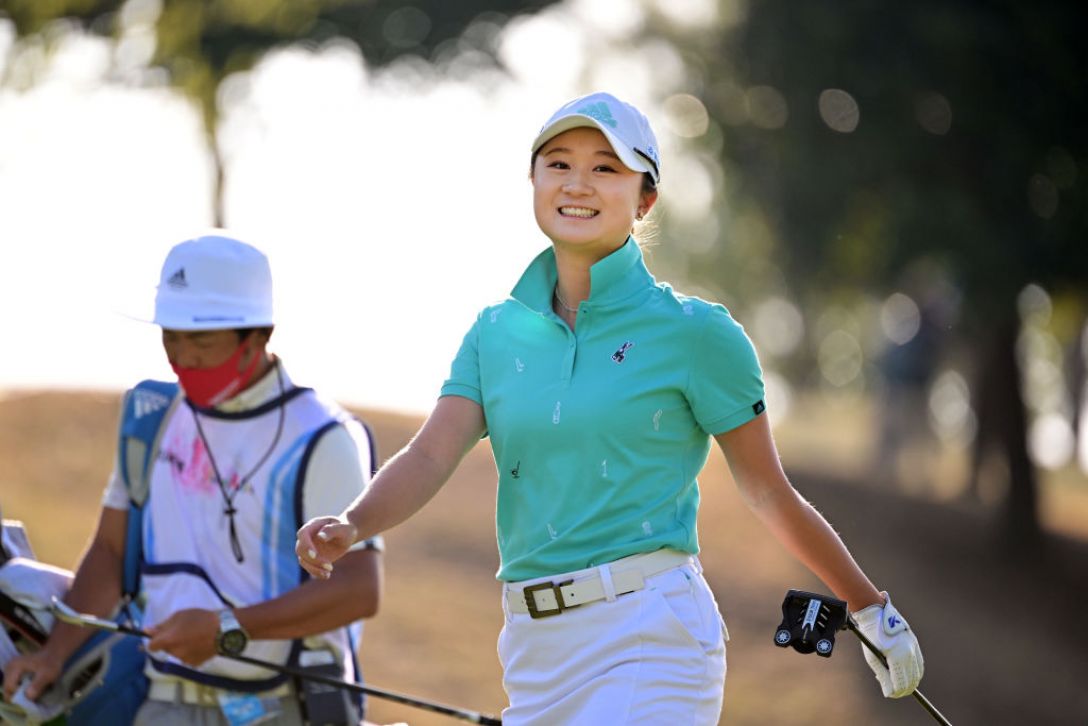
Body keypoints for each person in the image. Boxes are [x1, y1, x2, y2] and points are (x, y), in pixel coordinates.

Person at [296, 92, 925, 724]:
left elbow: (768, 491)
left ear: (645, 199)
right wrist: (355, 523)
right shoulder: (495, 333)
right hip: (533, 651)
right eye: (558, 164)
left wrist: (871, 610)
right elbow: (430, 455)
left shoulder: (696, 333)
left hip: (650, 633)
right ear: (534, 181)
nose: (577, 184)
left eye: (605, 167)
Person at [3, 233, 384, 726]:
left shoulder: (323, 437)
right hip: (163, 702)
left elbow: (357, 589)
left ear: (258, 335)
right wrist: (54, 655)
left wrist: (227, 628)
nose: (183, 357)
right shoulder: (153, 419)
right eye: (171, 337)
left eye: (201, 340)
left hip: (283, 708)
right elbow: (112, 552)